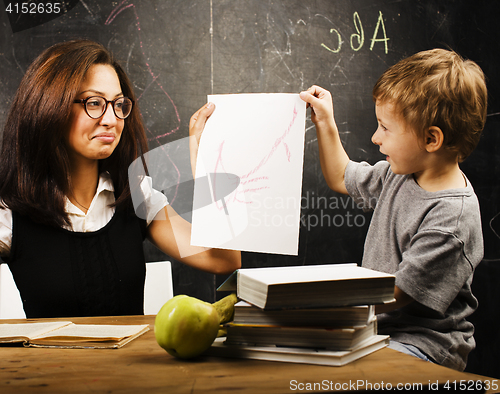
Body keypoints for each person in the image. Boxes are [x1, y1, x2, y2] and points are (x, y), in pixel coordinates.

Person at [0, 40, 240, 319]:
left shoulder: (136, 196)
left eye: (118, 104)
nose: (111, 119)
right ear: (50, 106)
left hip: (129, 363)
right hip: (50, 363)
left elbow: (224, 259)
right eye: (94, 103)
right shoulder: (9, 214)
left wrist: (206, 164)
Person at [300, 48, 487, 371]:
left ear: (431, 139)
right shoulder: (399, 174)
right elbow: (339, 175)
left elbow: (398, 294)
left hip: (425, 345)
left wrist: (318, 308)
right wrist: (325, 121)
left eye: (385, 128)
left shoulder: (451, 220)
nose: (375, 138)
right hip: (378, 330)